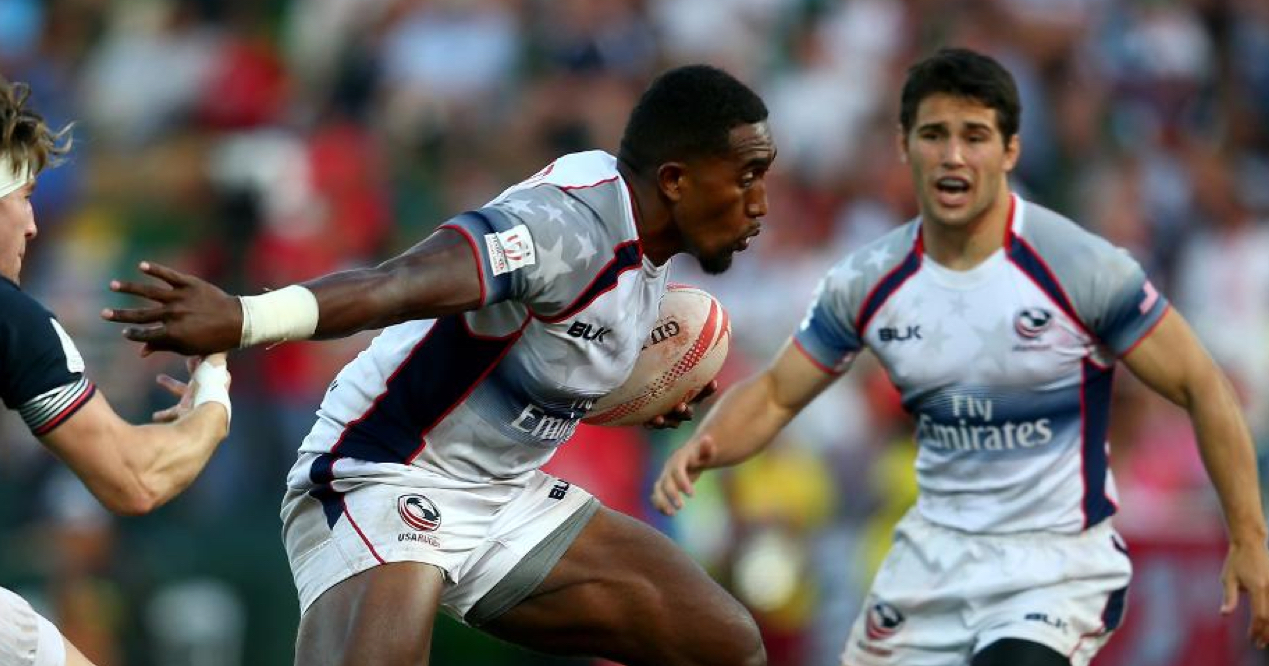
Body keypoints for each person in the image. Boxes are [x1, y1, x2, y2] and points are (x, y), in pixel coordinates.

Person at [102, 64, 774, 666]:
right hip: (383, 471)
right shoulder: (564, 227)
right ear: (677, 180)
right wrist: (247, 318)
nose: (760, 205)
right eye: (746, 178)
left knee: (723, 643)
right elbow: (398, 284)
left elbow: (534, 361)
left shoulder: (642, 257)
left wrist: (629, 398)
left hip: (504, 495)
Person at [652, 48, 1269, 666]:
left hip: (1050, 567)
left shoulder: (1079, 268)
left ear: (1009, 151)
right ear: (905, 147)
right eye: (934, 135)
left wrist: (1248, 535)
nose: (952, 155)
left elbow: (1201, 384)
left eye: (974, 136)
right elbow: (777, 393)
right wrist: (706, 447)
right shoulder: (869, 279)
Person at [0, 62, 233, 666]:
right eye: (24, 198)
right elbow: (136, 481)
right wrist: (214, 398)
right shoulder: (3, 314)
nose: (35, 225)